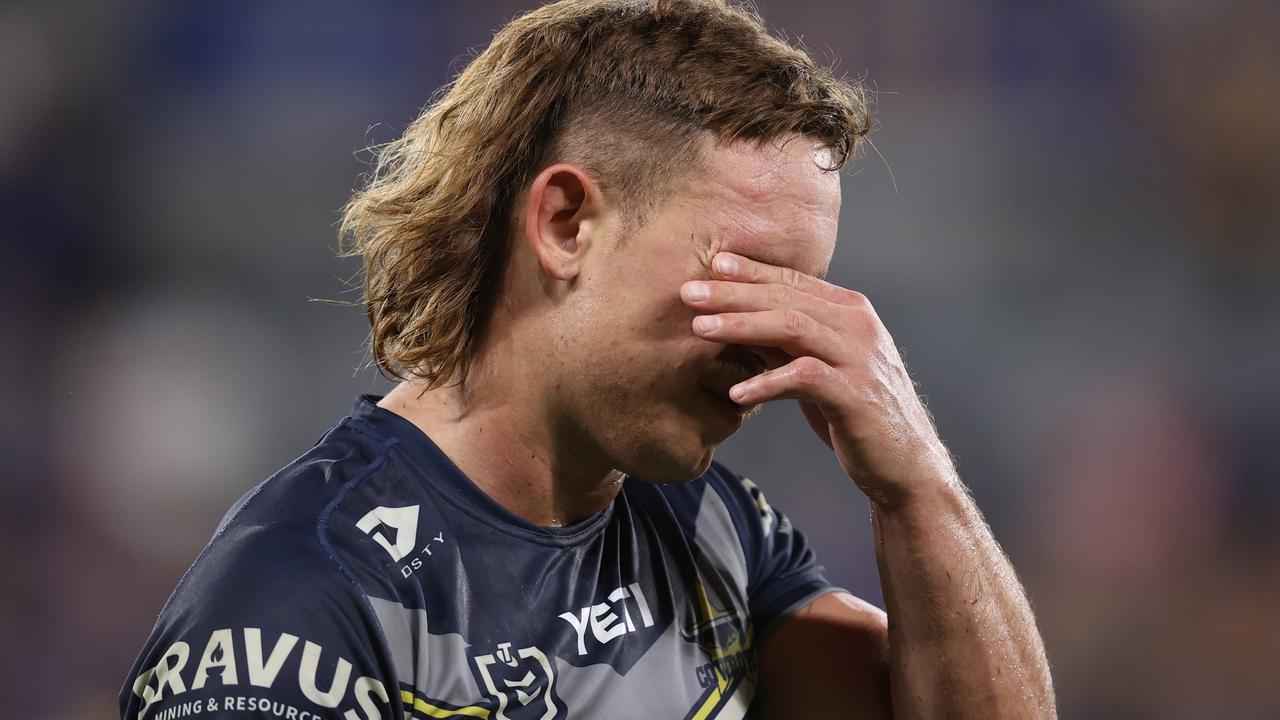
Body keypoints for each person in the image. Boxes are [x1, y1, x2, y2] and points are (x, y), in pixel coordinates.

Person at [120, 1, 1055, 718]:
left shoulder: (713, 530)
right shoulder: (298, 603)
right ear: (566, 224)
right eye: (747, 281)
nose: (779, 346)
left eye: (805, 300)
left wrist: (918, 490)